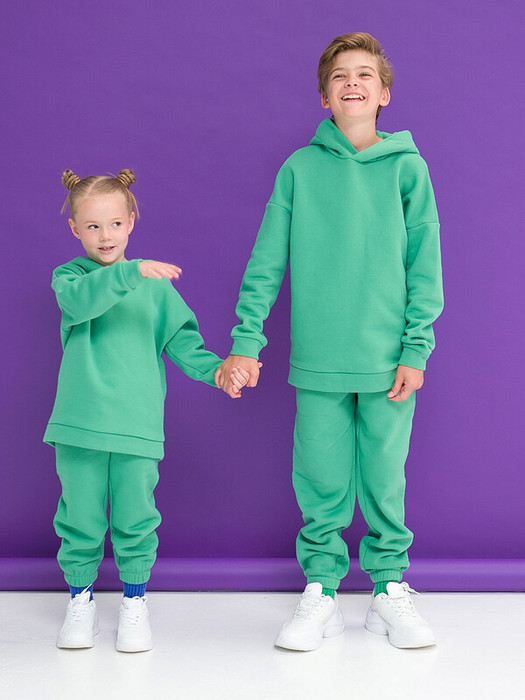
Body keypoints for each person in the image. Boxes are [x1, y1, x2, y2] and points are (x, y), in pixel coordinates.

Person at [216, 32, 443, 650]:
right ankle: (321, 591)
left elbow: (425, 266)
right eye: (340, 75)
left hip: (389, 360)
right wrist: (246, 341)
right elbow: (266, 262)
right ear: (324, 96)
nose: (353, 83)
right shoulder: (300, 169)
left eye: (365, 74)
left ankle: (388, 590)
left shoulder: (408, 169)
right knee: (319, 478)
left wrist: (416, 349)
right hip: (318, 358)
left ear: (384, 93)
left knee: (385, 478)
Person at [44, 169, 249, 652]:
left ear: (131, 221)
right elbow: (82, 302)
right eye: (92, 226)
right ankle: (80, 601)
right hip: (79, 425)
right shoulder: (71, 279)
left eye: (115, 224)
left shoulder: (155, 286)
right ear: (75, 229)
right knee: (80, 517)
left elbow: (184, 345)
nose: (105, 235)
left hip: (137, 426)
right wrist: (129, 272)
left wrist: (220, 372)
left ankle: (134, 601)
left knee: (136, 517)